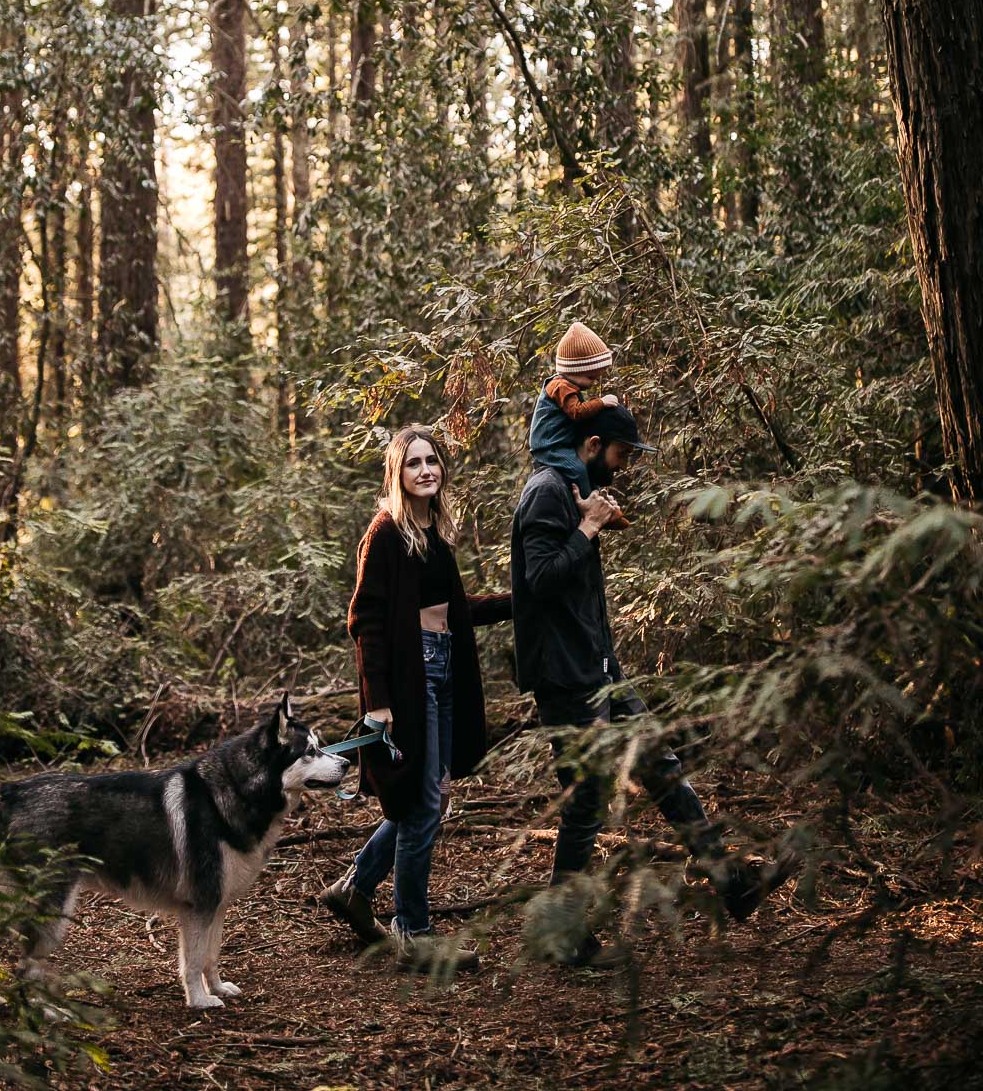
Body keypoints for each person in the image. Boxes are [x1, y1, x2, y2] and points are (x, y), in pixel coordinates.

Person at [511, 402, 794, 966]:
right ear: (593, 445)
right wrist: (588, 528)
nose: (624, 466)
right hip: (566, 676)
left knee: (661, 766)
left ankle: (732, 882)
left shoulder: (572, 488)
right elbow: (539, 579)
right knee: (586, 798)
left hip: (599, 669)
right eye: (621, 454)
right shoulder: (546, 491)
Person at [321, 424, 511, 965]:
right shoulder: (386, 532)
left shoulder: (433, 531)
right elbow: (366, 619)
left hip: (445, 668)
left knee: (431, 796)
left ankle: (355, 887)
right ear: (397, 473)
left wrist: (518, 602)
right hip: (411, 677)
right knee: (424, 800)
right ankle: (413, 931)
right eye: (413, 463)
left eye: (432, 461)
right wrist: (379, 701)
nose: (425, 470)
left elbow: (454, 609)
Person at [529, 322, 630, 525]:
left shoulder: (568, 385)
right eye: (590, 377)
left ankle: (601, 504)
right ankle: (592, 509)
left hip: (561, 440)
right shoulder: (560, 387)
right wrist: (601, 402)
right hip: (549, 445)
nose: (593, 382)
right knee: (577, 470)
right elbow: (576, 412)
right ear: (574, 370)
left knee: (587, 470)